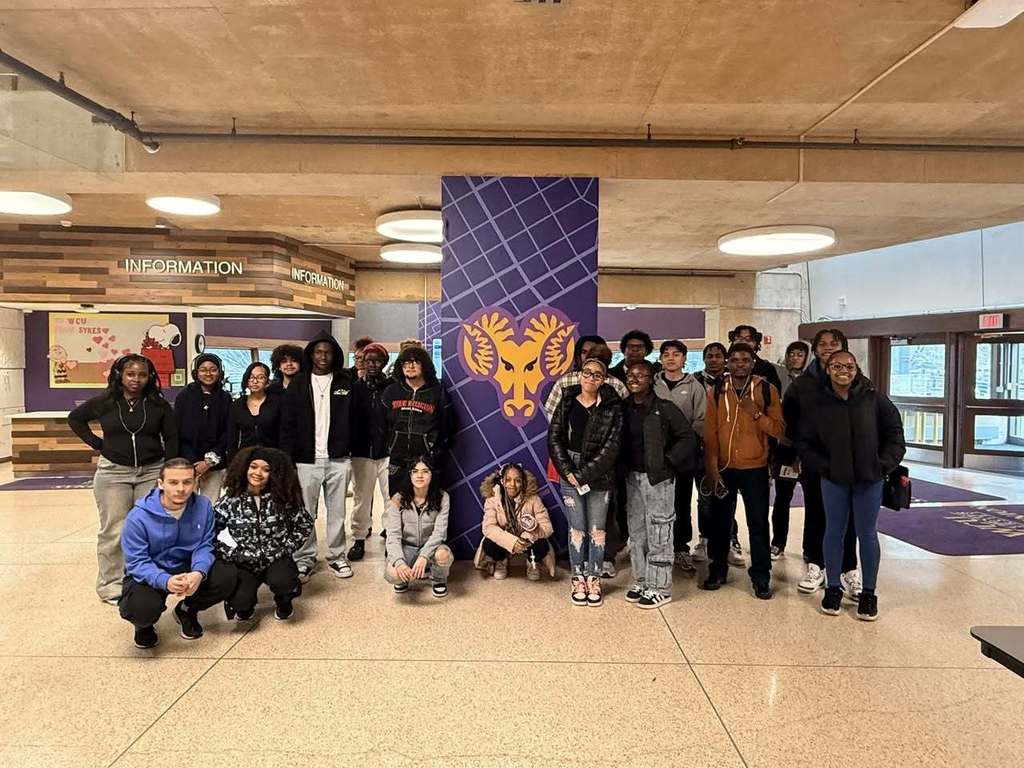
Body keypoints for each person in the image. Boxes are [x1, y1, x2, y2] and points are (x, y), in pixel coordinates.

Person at [798, 351, 905, 621]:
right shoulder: (817, 403)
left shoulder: (874, 399)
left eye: (848, 366)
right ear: (828, 369)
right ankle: (832, 587)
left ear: (856, 369)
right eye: (836, 366)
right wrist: (824, 466)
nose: (843, 370)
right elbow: (804, 442)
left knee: (867, 534)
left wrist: (882, 465)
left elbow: (895, 436)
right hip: (833, 479)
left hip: (869, 479)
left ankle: (868, 593)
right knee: (833, 531)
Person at [68, 354, 178, 604]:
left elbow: (171, 438)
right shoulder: (105, 402)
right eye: (131, 374)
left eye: (142, 374)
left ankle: (146, 579)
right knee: (114, 530)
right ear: (120, 375)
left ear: (149, 377)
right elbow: (75, 418)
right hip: (113, 473)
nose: (136, 379)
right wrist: (98, 444)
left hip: (151, 471)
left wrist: (168, 470)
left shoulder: (158, 405)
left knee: (149, 528)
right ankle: (111, 585)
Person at [118, 458, 237, 649]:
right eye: (173, 482)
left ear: (195, 482)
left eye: (187, 482)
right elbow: (137, 562)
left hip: (188, 566)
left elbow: (205, 545)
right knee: (140, 608)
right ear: (161, 484)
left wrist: (198, 573)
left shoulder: (204, 506)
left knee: (228, 576)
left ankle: (187, 610)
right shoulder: (138, 517)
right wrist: (164, 580)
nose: (181, 488)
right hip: (152, 570)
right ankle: (143, 626)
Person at [780, 329, 861, 597]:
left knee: (848, 518)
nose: (827, 348)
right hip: (814, 461)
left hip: (850, 463)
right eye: (822, 344)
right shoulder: (802, 385)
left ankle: (849, 569)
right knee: (817, 513)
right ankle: (817, 565)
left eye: (834, 344)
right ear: (814, 350)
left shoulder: (860, 383)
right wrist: (794, 455)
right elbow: (789, 423)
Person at [701, 342, 784, 600]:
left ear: (752, 362)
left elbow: (780, 430)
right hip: (724, 468)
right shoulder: (716, 390)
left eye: (745, 360)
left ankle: (761, 577)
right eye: (734, 360)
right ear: (727, 362)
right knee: (720, 523)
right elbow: (710, 433)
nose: (739, 364)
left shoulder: (767, 390)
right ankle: (718, 570)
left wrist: (756, 414)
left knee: (758, 523)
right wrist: (712, 468)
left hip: (755, 468)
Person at [541, 334, 627, 578]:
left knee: (599, 526)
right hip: (569, 465)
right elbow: (554, 433)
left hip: (601, 470)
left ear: (604, 376)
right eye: (587, 370)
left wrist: (583, 473)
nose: (591, 377)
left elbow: (614, 443)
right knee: (576, 527)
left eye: (597, 373)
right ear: (580, 369)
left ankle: (596, 574)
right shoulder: (567, 394)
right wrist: (569, 471)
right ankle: (579, 576)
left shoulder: (614, 398)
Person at [280, 331, 355, 582]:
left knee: (337, 512)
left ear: (334, 355)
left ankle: (336, 556)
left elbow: (359, 419)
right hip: (305, 460)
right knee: (305, 512)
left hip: (338, 459)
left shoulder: (346, 382)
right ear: (311, 354)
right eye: (319, 352)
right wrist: (289, 461)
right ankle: (304, 558)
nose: (323, 356)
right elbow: (287, 425)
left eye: (328, 352)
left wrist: (348, 446)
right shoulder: (298, 384)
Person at [621, 360, 696, 609]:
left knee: (660, 531)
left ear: (652, 378)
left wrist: (668, 462)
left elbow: (687, 437)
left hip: (658, 480)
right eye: (631, 374)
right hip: (632, 478)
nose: (635, 379)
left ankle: (661, 587)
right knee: (637, 532)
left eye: (641, 375)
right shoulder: (623, 408)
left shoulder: (664, 408)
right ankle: (642, 580)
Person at [214, 447, 313, 622]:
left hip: (276, 558)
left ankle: (284, 600)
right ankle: (245, 603)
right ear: (244, 468)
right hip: (245, 561)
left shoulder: (283, 498)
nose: (257, 473)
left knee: (284, 582)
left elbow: (304, 524)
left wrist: (285, 547)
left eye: (266, 469)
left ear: (275, 473)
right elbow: (209, 532)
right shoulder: (230, 500)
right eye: (253, 467)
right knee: (241, 604)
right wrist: (231, 554)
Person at [653, 340, 706, 572]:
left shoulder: (694, 386)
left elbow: (701, 420)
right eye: (666, 354)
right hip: (655, 455)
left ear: (685, 359)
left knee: (681, 503)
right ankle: (657, 548)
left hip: (684, 456)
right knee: (655, 503)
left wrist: (683, 446)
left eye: (676, 354)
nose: (671, 358)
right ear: (661, 359)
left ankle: (681, 548)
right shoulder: (652, 384)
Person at [382, 345, 454, 496]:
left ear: (425, 365)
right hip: (397, 462)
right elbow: (382, 424)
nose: (410, 366)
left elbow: (448, 426)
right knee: (397, 506)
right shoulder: (391, 391)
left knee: (428, 509)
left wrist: (435, 452)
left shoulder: (437, 392)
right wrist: (389, 446)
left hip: (427, 462)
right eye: (406, 363)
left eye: (416, 362)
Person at [693, 342, 741, 566]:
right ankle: (704, 539)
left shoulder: (737, 382)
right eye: (709, 356)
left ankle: (731, 539)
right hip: (700, 449)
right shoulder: (694, 380)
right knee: (704, 498)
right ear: (704, 359)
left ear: (725, 359)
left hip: (729, 451)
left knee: (726, 497)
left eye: (718, 356)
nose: (713, 359)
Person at [383, 457, 453, 598]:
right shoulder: (398, 499)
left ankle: (438, 579)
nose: (419, 476)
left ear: (432, 475)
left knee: (443, 555)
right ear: (410, 475)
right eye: (415, 471)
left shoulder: (443, 497)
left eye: (425, 471)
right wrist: (399, 562)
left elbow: (439, 533)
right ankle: (403, 577)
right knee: (394, 574)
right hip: (406, 548)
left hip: (431, 548)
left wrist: (424, 556)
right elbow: (393, 536)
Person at [474, 463, 556, 581]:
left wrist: (531, 534)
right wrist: (511, 541)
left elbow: (548, 528)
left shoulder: (533, 499)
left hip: (526, 541)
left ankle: (532, 563)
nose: (512, 485)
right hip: (504, 541)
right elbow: (488, 527)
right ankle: (501, 562)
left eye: (517, 480)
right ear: (502, 481)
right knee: (488, 543)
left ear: (522, 482)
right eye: (508, 480)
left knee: (542, 544)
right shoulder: (492, 500)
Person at [348, 342, 392, 561]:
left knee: (391, 498)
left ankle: (392, 537)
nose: (372, 364)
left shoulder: (392, 387)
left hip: (387, 451)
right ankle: (358, 537)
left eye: (377, 360)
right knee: (361, 498)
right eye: (368, 360)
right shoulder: (355, 388)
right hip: (361, 451)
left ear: (385, 363)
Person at [769, 341, 810, 559]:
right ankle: (778, 543)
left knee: (813, 502)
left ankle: (810, 549)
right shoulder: (779, 379)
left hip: (810, 450)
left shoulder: (815, 381)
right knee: (782, 499)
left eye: (800, 354)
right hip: (785, 447)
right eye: (791, 354)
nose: (795, 358)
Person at [174, 353, 232, 502]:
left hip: (215, 464)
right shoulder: (184, 396)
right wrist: (193, 462)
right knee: (184, 506)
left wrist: (208, 462)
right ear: (196, 372)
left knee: (209, 507)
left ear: (220, 372)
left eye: (213, 369)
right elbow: (177, 431)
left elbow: (228, 432)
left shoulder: (225, 398)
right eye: (203, 369)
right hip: (187, 463)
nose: (208, 373)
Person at [225, 361, 282, 465]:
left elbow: (284, 434)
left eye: (260, 377)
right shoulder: (237, 405)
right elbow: (232, 438)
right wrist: (231, 464)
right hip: (245, 458)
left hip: (273, 458)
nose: (255, 381)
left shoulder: (277, 403)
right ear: (247, 380)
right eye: (251, 377)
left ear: (267, 382)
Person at [728, 325, 783, 392]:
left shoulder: (766, 368)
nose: (744, 342)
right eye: (739, 338)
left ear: (756, 343)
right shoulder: (724, 366)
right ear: (733, 342)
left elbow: (775, 393)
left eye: (748, 339)